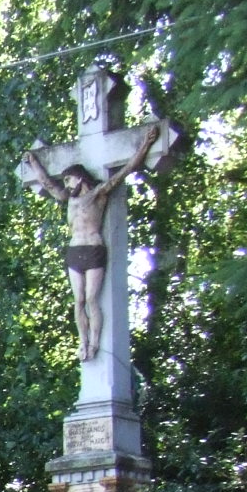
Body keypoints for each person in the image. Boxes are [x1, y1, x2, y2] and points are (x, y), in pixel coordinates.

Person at [21, 122, 159, 362]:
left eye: (69, 180)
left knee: (92, 299)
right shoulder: (68, 199)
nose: (66, 184)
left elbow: (126, 169)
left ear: (79, 178)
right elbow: (47, 184)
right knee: (79, 301)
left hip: (94, 248)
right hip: (74, 251)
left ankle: (95, 343)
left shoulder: (98, 194)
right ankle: (83, 343)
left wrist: (145, 144)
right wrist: (33, 162)